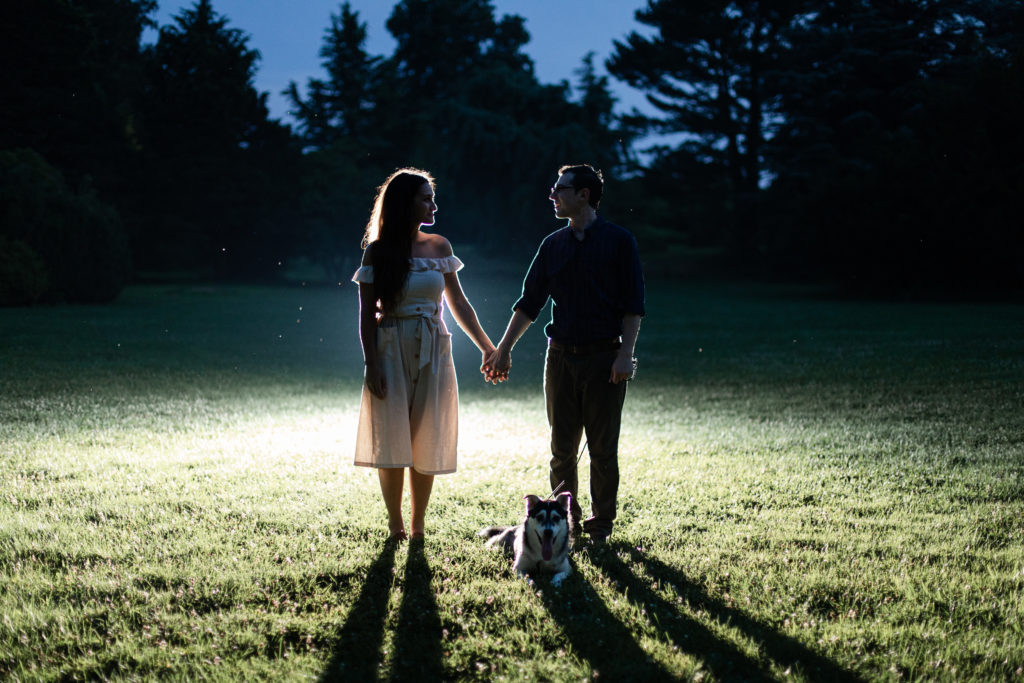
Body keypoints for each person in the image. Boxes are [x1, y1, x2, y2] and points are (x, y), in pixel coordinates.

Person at [484, 163, 645, 543]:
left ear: (584, 194)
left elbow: (633, 304)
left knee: (603, 449)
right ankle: (566, 523)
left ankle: (601, 525)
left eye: (560, 189)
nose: (553, 196)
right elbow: (529, 304)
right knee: (562, 448)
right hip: (559, 358)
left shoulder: (620, 242)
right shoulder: (552, 245)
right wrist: (503, 349)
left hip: (605, 358)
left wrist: (626, 354)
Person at [353, 168, 495, 541]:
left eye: (432, 197)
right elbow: (367, 314)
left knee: (426, 433)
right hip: (390, 345)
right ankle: (395, 523)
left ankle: (418, 527)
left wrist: (487, 347)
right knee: (392, 434)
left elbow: (460, 303)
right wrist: (371, 364)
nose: (433, 204)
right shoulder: (379, 251)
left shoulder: (439, 247)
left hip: (433, 345)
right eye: (425, 197)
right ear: (405, 203)